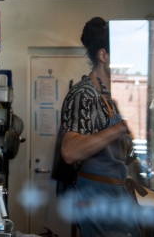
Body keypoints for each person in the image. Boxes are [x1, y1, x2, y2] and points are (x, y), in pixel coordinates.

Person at [60, 17, 145, 237]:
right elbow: (70, 152)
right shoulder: (84, 94)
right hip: (98, 201)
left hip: (116, 197)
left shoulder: (108, 96)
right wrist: (122, 126)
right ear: (103, 55)